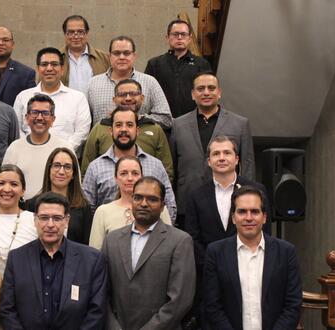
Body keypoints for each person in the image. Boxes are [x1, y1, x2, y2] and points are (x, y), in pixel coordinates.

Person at [185, 136, 271, 329]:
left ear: (237, 158)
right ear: (209, 161)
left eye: (227, 153)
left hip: (252, 271)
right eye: (216, 154)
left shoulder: (257, 190)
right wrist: (215, 262)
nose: (221, 158)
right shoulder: (195, 195)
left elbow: (266, 232)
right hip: (209, 276)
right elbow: (192, 237)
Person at [0, 192, 108, 330]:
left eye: (57, 218)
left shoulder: (92, 260)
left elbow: (96, 312)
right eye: (44, 218)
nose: (50, 224)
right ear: (35, 220)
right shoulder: (16, 259)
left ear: (67, 220)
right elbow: (8, 309)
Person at [102, 177, 195, 330]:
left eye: (152, 199)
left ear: (163, 205)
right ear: (131, 200)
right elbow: (101, 292)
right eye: (138, 197)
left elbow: (180, 300)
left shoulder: (180, 241)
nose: (143, 204)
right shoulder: (111, 240)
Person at [203, 186, 302, 329]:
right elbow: (212, 306)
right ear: (233, 218)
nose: (248, 218)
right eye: (242, 211)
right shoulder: (216, 252)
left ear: (264, 217)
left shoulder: (286, 252)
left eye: (255, 212)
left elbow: (293, 305)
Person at [170, 72, 255, 228]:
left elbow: (248, 167)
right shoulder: (178, 125)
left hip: (229, 205)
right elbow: (172, 168)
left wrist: (246, 199)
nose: (206, 92)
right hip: (187, 204)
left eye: (211, 88)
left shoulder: (240, 124)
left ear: (219, 92)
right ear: (193, 94)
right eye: (201, 88)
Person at [83, 106, 177, 222]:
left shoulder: (155, 166)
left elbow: (169, 206)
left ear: (137, 131)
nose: (124, 129)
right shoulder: (95, 168)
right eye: (118, 125)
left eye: (129, 125)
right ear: (110, 131)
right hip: (110, 236)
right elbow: (87, 211)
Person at [81, 78, 173, 180]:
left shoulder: (155, 129)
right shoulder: (100, 128)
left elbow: (166, 171)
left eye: (133, 93)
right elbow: (86, 170)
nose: (128, 98)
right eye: (122, 95)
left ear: (142, 98)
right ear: (114, 100)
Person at [13, 47, 91, 153]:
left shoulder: (78, 98)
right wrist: (30, 148)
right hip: (29, 154)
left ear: (62, 69)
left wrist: (62, 151)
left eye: (54, 64)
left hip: (65, 160)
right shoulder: (23, 97)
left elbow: (82, 131)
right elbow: (17, 129)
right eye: (44, 64)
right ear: (37, 69)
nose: (49, 68)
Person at [87, 35, 172, 129]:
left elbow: (166, 119)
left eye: (126, 53)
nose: (122, 57)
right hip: (102, 142)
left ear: (134, 56)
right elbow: (85, 122)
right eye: (116, 53)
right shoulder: (93, 84)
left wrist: (138, 118)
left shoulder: (150, 82)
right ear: (109, 56)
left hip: (141, 141)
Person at [89, 156, 171, 250]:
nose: (130, 178)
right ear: (115, 178)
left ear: (142, 177)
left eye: (135, 173)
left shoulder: (157, 208)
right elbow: (95, 252)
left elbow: (169, 242)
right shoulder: (103, 211)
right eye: (123, 173)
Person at [4, 94, 72, 199]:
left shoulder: (64, 148)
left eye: (45, 113)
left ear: (53, 119)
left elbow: (74, 186)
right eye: (35, 113)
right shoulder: (14, 148)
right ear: (26, 118)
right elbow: (5, 184)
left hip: (55, 212)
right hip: (21, 211)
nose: (40, 118)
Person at [145, 19, 212, 118]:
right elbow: (147, 94)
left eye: (183, 34)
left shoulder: (201, 64)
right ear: (167, 37)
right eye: (175, 34)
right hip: (161, 120)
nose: (180, 37)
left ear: (189, 38)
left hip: (193, 121)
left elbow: (208, 93)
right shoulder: (154, 64)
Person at [25, 147, 92, 245]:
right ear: (49, 170)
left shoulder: (83, 207)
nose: (61, 171)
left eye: (67, 167)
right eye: (56, 165)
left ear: (74, 174)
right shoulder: (32, 205)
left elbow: (86, 245)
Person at [0, 164, 38, 275]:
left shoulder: (35, 220)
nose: (7, 189)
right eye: (1, 183)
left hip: (26, 289)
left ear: (23, 191)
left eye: (14, 184)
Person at [60, 15, 110, 93]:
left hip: (94, 105)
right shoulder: (56, 59)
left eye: (80, 32)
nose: (76, 36)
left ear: (87, 33)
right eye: (71, 32)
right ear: (65, 35)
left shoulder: (104, 58)